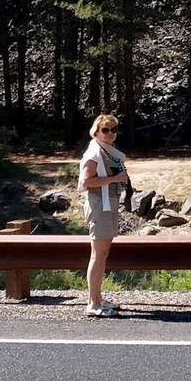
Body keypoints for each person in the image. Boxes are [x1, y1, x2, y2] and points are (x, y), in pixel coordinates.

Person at [78, 113, 129, 318]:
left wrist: (116, 180)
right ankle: (93, 303)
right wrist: (114, 178)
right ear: (96, 131)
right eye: (105, 130)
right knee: (98, 255)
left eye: (113, 129)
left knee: (102, 254)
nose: (109, 133)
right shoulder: (95, 153)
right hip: (99, 205)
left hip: (107, 205)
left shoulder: (108, 152)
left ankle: (97, 298)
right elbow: (86, 182)